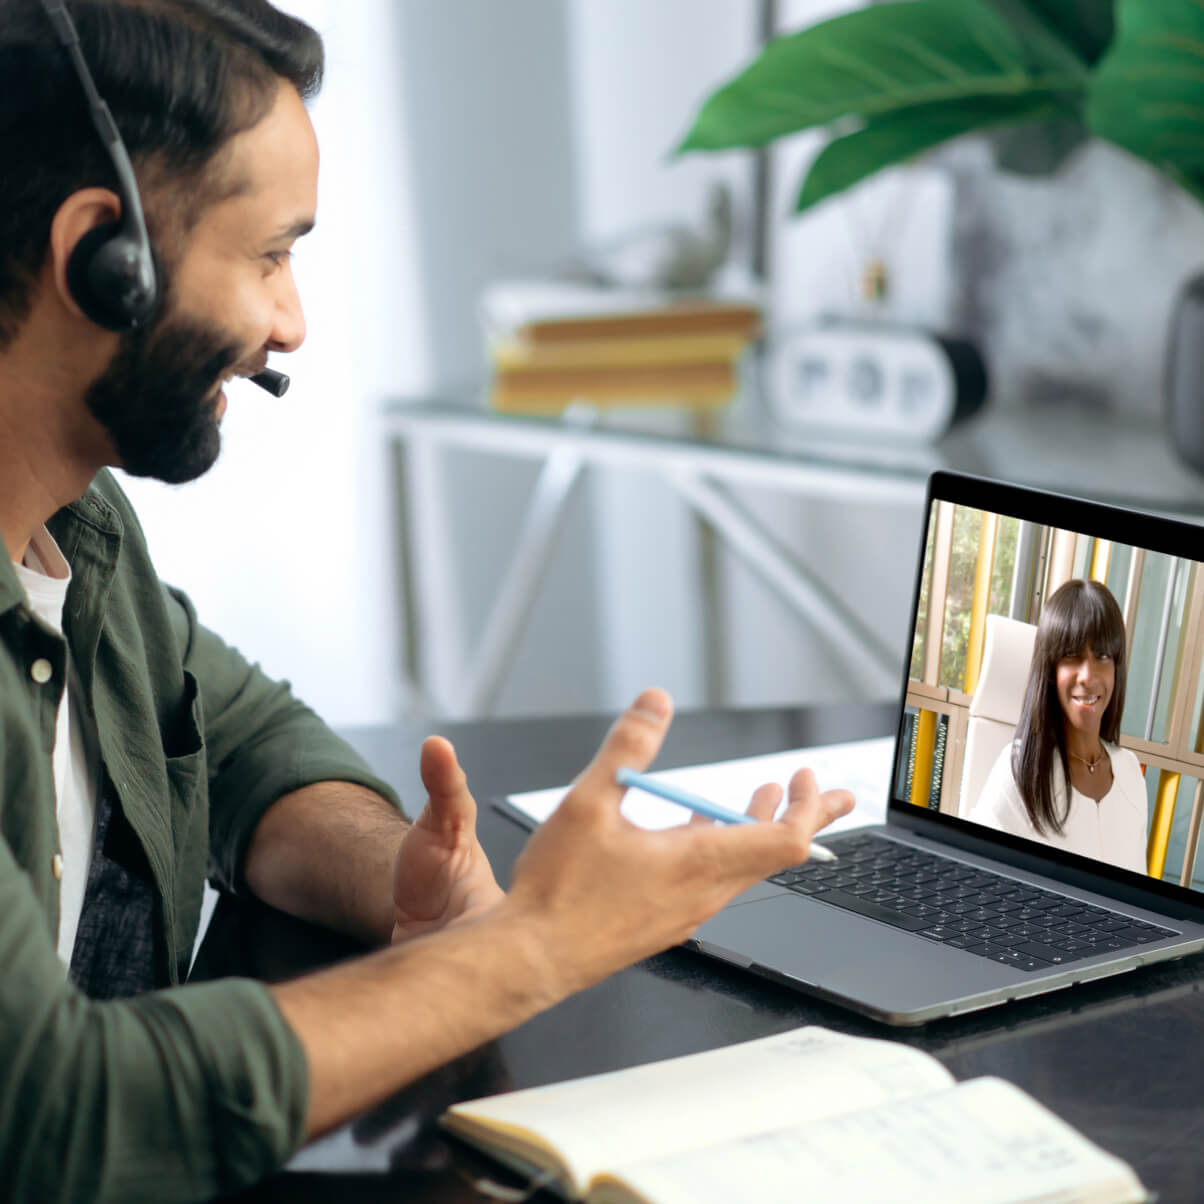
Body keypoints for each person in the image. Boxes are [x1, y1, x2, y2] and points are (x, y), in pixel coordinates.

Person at [0, 3, 854, 1200]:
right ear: (105, 256)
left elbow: (243, 737)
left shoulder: (75, 532)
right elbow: (57, 1110)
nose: (290, 323)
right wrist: (528, 950)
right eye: (268, 256)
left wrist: (404, 871)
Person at [966, 579, 1148, 874]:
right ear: (1050, 669)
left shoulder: (1130, 773)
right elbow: (974, 878)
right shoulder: (1019, 770)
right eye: (1072, 656)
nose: (1088, 676)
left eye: (1102, 656)